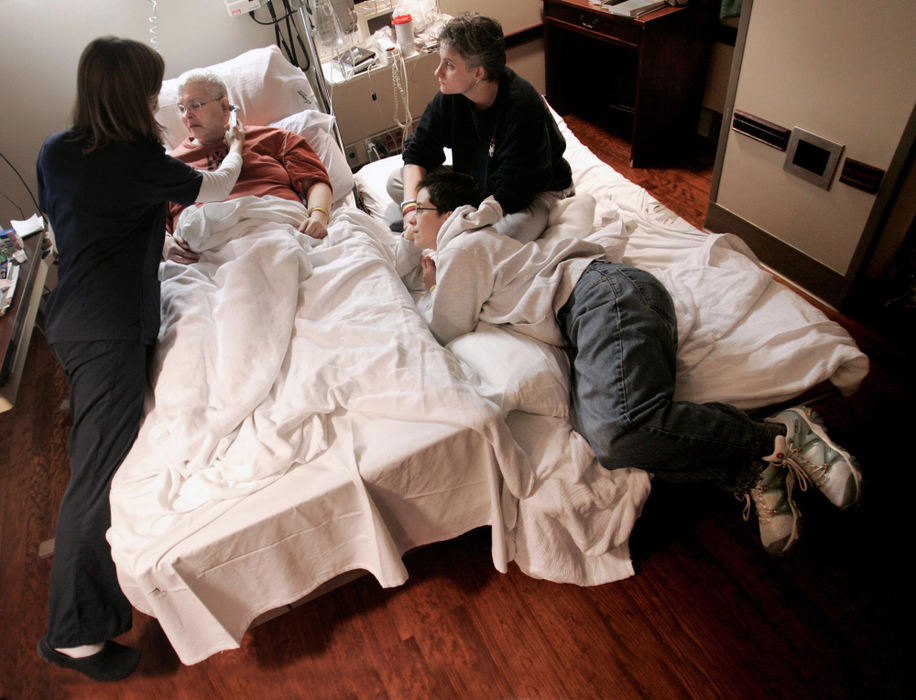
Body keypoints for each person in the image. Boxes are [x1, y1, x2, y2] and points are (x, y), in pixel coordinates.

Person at [409, 170, 863, 555]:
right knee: (605, 439)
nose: (409, 223)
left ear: (449, 215)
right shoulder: (474, 245)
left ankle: (778, 434)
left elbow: (445, 329)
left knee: (620, 428)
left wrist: (432, 283)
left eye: (417, 211)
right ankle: (753, 468)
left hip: (601, 296)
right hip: (595, 313)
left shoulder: (461, 247)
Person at [35, 36, 246, 681]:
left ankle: (80, 589)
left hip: (69, 320)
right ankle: (73, 633)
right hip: (110, 331)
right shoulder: (136, 158)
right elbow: (216, 185)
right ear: (130, 93)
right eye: (154, 88)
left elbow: (68, 222)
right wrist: (234, 140)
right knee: (95, 474)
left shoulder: (57, 150)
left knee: (89, 457)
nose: (161, 99)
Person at [389, 13, 572, 243]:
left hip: (529, 192)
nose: (438, 73)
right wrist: (410, 210)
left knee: (512, 230)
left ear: (478, 72)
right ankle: (446, 227)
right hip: (477, 183)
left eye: (449, 65)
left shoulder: (522, 107)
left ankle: (451, 233)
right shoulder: (452, 95)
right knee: (398, 182)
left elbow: (513, 194)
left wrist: (456, 224)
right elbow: (418, 151)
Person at [162, 69, 332, 264]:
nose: (187, 115)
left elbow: (315, 180)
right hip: (208, 250)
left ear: (225, 106)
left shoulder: (276, 139)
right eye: (181, 108)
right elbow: (151, 218)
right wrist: (164, 243)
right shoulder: (168, 165)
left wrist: (319, 216)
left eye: (195, 105)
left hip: (280, 227)